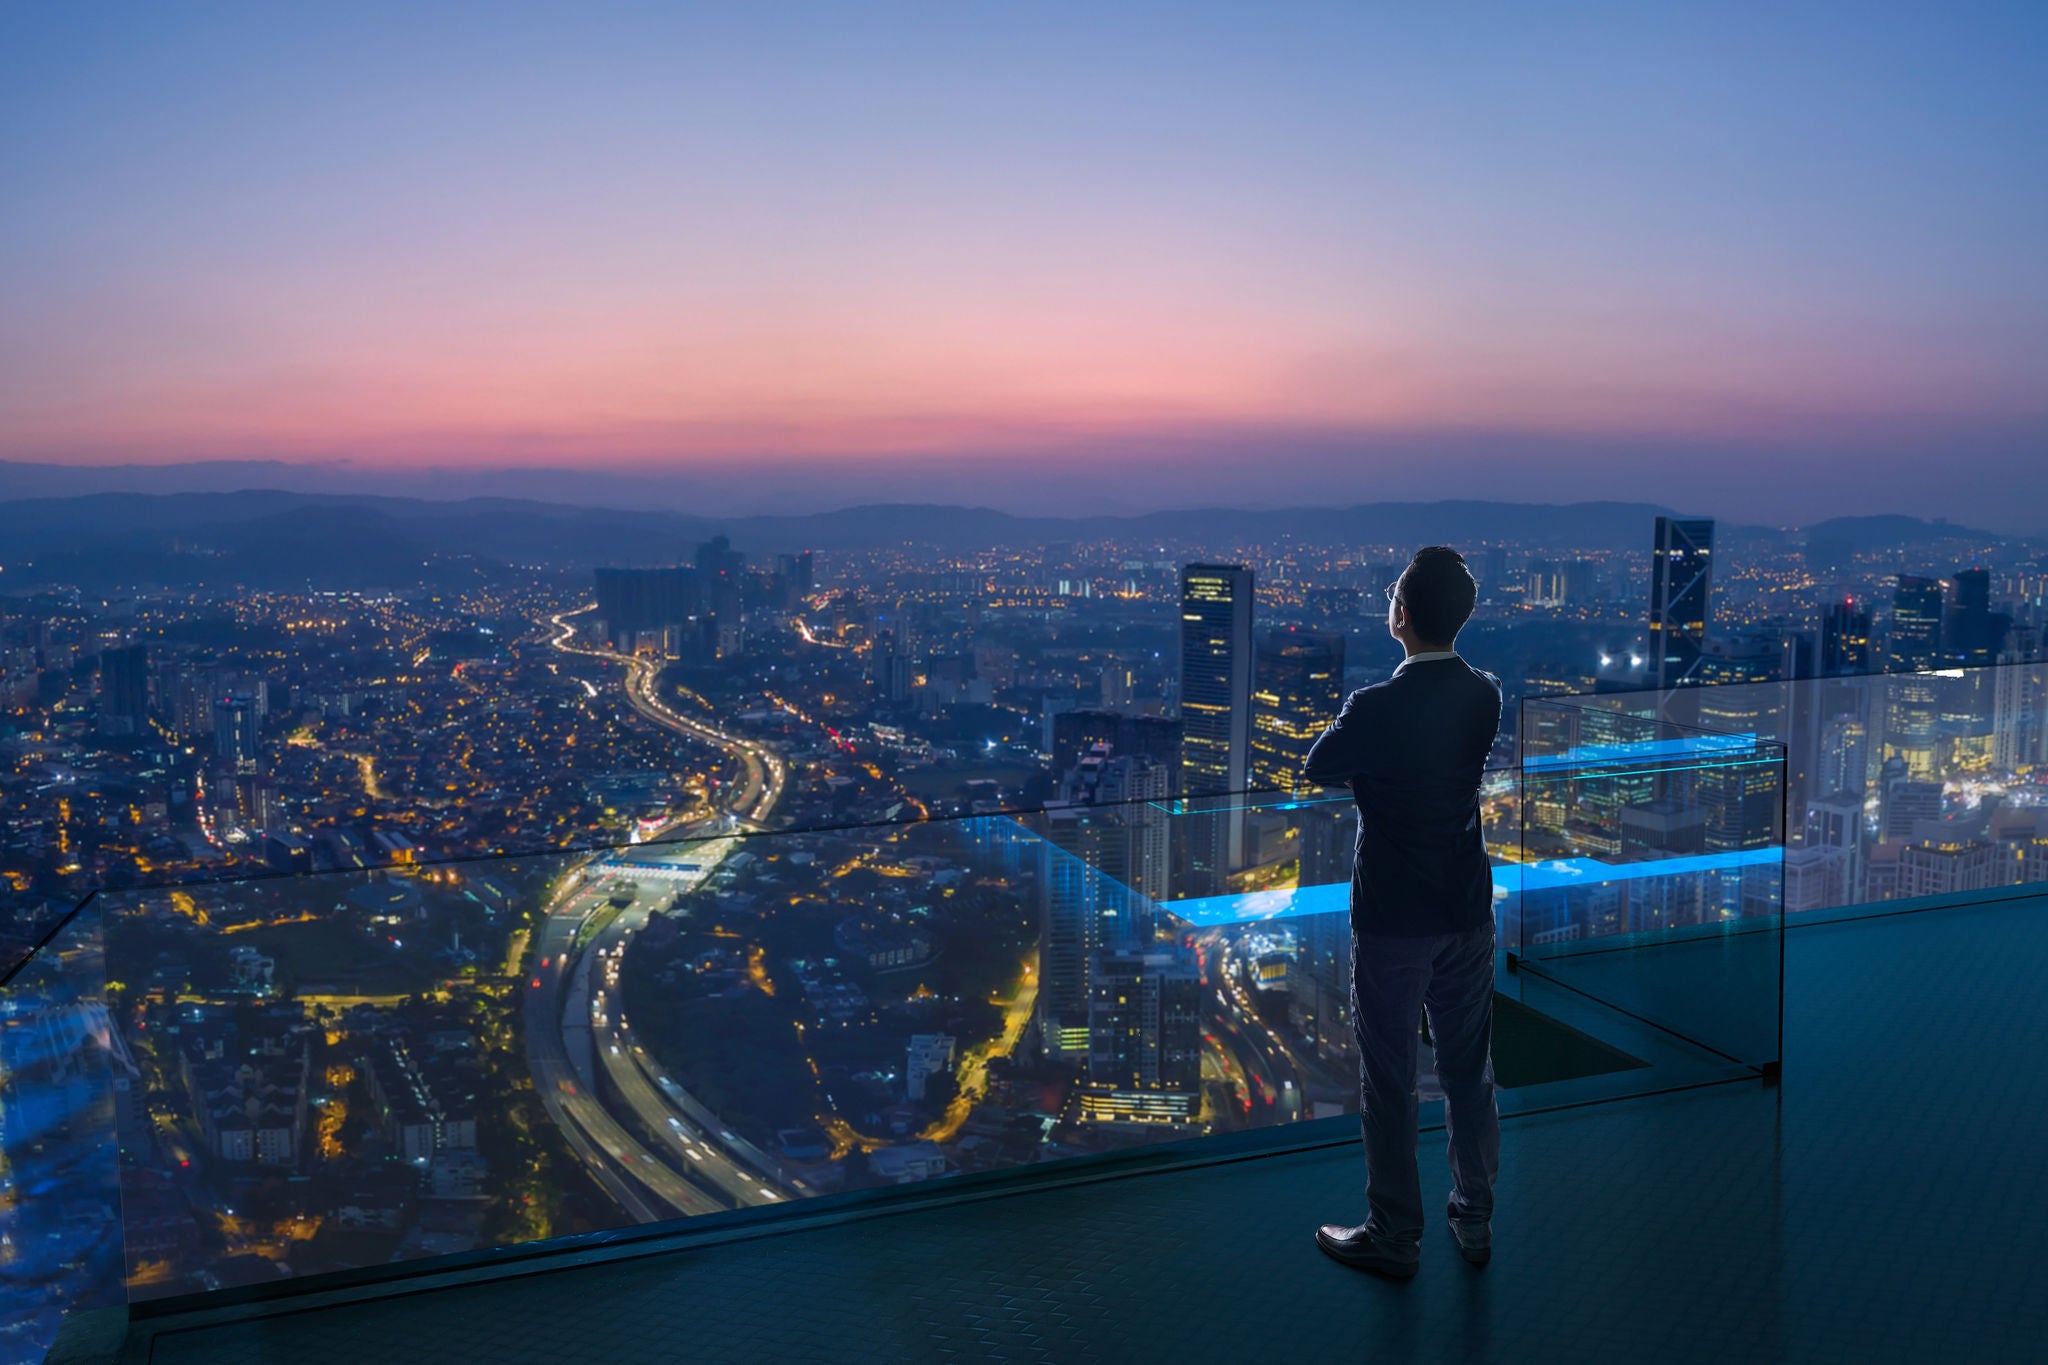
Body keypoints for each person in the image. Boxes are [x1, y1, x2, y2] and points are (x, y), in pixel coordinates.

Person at [1302, 545, 1502, 1279]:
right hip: (1466, 907)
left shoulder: (1377, 706)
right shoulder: (1485, 695)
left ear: (1402, 614)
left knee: (1388, 1074)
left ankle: (1394, 1230)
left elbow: (1320, 763)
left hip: (1392, 918)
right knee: (1466, 1067)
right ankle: (1474, 1214)